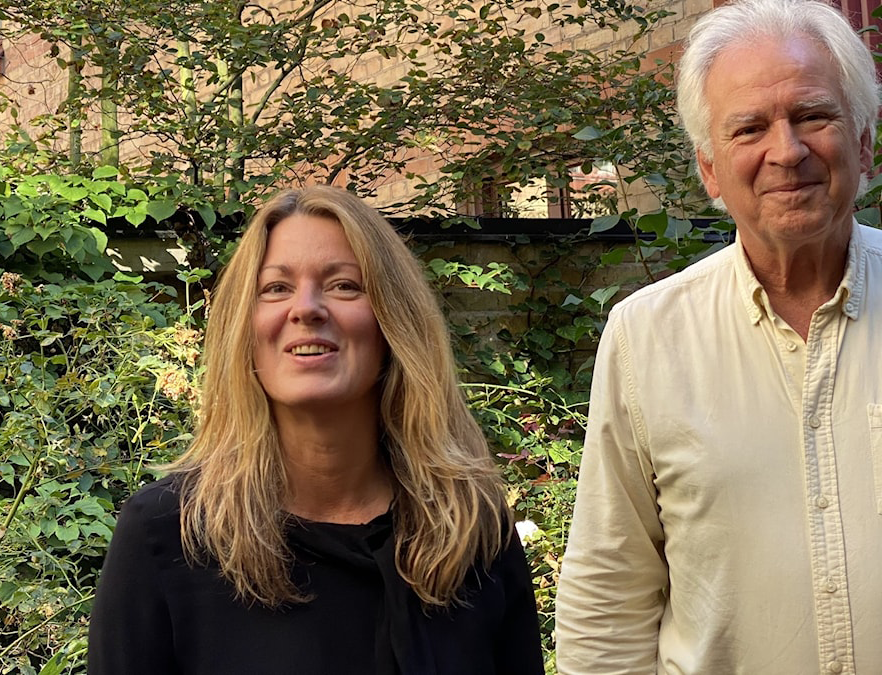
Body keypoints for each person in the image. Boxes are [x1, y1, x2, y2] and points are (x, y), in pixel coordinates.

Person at [88, 186, 543, 674]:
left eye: (344, 285)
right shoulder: (170, 534)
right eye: (276, 288)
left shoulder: (471, 527)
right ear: (244, 327)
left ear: (395, 322)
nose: (306, 308)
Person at [555, 0, 882, 672]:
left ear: (864, 143)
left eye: (813, 116)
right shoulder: (647, 338)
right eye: (749, 128)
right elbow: (608, 599)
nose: (786, 152)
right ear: (709, 169)